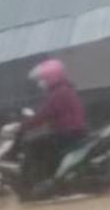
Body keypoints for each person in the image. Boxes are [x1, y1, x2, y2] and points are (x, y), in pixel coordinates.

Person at [22, 58, 88, 197]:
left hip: (68, 133)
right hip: (74, 131)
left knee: (34, 145)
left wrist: (23, 126)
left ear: (52, 77)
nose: (40, 83)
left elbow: (44, 114)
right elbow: (47, 113)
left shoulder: (58, 93)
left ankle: (49, 182)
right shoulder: (65, 89)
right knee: (42, 142)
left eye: (43, 79)